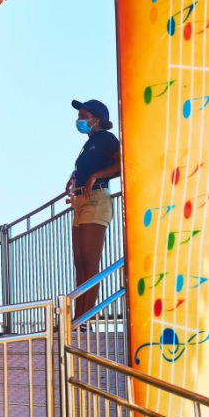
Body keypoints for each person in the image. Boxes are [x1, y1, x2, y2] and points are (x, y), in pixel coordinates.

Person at [66, 99, 121, 321]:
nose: (79, 120)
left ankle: (85, 319)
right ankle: (77, 318)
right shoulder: (88, 145)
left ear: (96, 119)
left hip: (96, 200)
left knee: (90, 261)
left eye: (83, 115)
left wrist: (96, 175)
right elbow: (87, 166)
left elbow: (121, 164)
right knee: (79, 263)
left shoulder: (106, 139)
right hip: (80, 202)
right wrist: (73, 178)